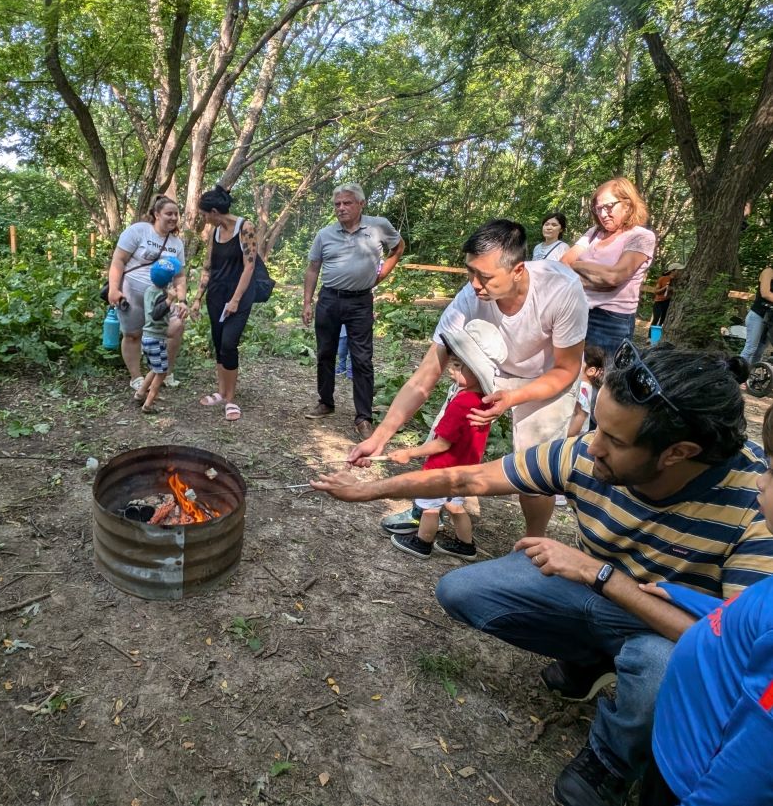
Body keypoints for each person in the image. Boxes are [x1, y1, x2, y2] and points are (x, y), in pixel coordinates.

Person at [310, 343, 770, 806]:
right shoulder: (585, 453)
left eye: (615, 439)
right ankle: (595, 658)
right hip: (598, 591)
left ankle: (611, 759)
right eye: (598, 427)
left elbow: (733, 650)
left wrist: (600, 574)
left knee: (659, 666)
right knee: (463, 590)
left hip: (676, 632)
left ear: (678, 452)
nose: (593, 445)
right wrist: (370, 490)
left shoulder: (758, 504)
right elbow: (469, 479)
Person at [352, 220, 587, 538]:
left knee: (535, 465)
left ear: (518, 270)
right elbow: (426, 375)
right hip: (489, 366)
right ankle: (426, 508)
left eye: (486, 277)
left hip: (546, 375)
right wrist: (380, 437)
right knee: (446, 431)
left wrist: (513, 398)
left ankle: (534, 540)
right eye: (470, 272)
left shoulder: (562, 289)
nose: (476, 285)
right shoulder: (468, 299)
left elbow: (567, 370)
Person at [641, 403, 773, 806]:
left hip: (694, 780)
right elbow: (746, 620)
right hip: (678, 754)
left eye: (772, 469)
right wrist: (681, 595)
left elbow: (757, 762)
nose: (759, 483)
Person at [383, 320, 507, 561]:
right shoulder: (485, 400)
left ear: (476, 370)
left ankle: (422, 542)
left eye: (459, 366)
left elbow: (442, 444)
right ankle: (466, 545)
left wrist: (409, 452)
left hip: (442, 470)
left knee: (430, 507)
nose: (452, 370)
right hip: (466, 469)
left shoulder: (461, 403)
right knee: (454, 505)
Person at [302, 183, 405, 439]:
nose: (341, 208)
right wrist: (307, 302)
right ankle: (326, 402)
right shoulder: (325, 234)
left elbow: (398, 247)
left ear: (361, 204)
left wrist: (380, 275)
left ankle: (363, 417)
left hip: (360, 301)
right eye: (337, 204)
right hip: (329, 299)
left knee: (362, 358)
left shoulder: (378, 226)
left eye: (347, 203)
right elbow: (313, 268)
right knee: (326, 352)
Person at [561, 178, 656, 354]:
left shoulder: (641, 237)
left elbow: (614, 277)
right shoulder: (593, 233)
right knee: (570, 370)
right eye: (598, 209)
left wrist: (577, 266)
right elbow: (563, 263)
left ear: (627, 205)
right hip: (577, 310)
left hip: (611, 320)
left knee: (600, 376)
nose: (603, 214)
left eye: (609, 206)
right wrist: (599, 280)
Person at [191, 185, 258, 422]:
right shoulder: (215, 233)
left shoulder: (245, 227)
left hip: (238, 295)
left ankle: (231, 399)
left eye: (204, 214)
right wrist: (198, 298)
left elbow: (249, 265)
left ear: (215, 211)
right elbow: (208, 266)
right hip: (216, 294)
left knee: (229, 343)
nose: (204, 218)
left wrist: (235, 300)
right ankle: (221, 392)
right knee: (219, 343)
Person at [107, 196, 187, 393]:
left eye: (176, 214)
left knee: (175, 329)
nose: (174, 218)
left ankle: (165, 372)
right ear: (156, 214)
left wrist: (183, 299)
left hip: (162, 298)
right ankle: (136, 377)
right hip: (132, 292)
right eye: (169, 213)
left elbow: (180, 276)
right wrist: (113, 289)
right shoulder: (138, 231)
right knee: (133, 334)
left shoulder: (176, 243)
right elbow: (118, 260)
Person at [135, 257, 185, 414]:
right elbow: (156, 314)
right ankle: (148, 404)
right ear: (169, 280)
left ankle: (140, 393)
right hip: (155, 338)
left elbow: (155, 311)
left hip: (147, 337)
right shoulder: (162, 296)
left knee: (155, 368)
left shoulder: (150, 291)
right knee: (162, 372)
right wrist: (169, 300)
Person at [739, 264, 773, 364]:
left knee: (759, 351)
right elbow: (765, 293)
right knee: (750, 349)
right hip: (758, 316)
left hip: (770, 319)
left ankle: (750, 376)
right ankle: (738, 375)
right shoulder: (768, 272)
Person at [648, 263, 682, 330]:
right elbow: (656, 291)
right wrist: (665, 288)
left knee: (663, 320)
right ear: (672, 271)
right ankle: (650, 338)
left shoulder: (678, 281)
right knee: (656, 318)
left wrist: (673, 290)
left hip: (668, 302)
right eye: (678, 270)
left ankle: (657, 337)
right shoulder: (663, 278)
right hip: (659, 302)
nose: (679, 272)